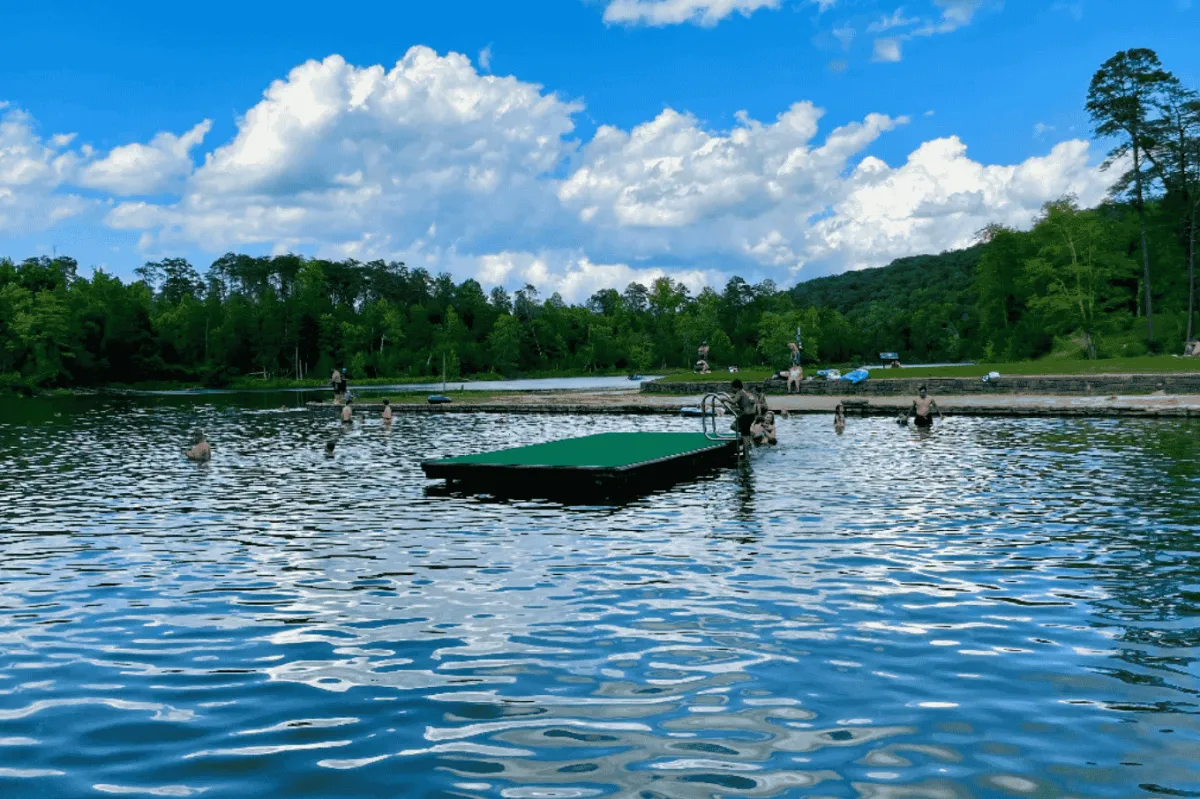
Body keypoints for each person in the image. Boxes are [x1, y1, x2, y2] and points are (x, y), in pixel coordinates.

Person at [730, 379, 757, 455]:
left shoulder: (740, 392)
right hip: (751, 415)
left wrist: (724, 399)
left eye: (733, 388)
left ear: (737, 387)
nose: (732, 389)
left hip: (747, 415)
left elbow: (733, 402)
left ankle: (751, 434)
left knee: (733, 426)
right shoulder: (744, 392)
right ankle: (746, 456)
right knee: (745, 435)